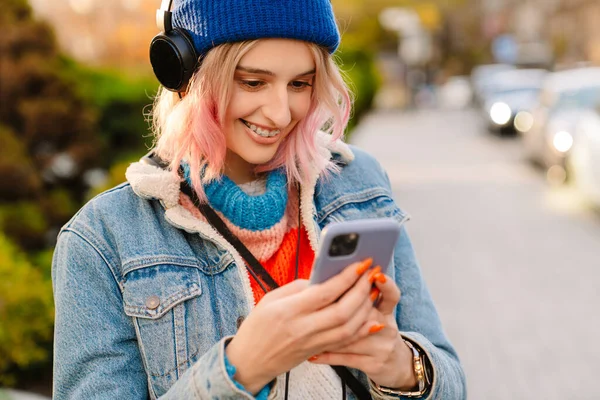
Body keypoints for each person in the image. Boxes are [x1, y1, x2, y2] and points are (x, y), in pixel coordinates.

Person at [51, 0, 466, 399]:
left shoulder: (358, 183)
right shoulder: (103, 240)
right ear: (184, 75)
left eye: (300, 84)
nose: (281, 113)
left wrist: (401, 366)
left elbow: (451, 382)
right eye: (253, 82)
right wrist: (239, 369)